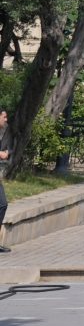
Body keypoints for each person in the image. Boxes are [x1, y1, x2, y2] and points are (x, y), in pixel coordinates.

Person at [0, 107, 12, 253]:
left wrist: (7, 152)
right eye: (4, 117)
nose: (6, 119)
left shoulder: (4, 131)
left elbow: (8, 150)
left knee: (2, 205)